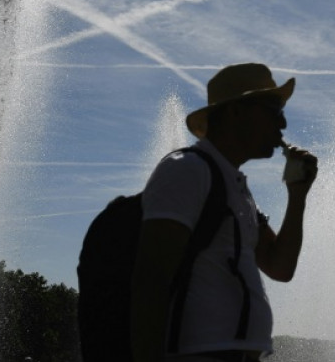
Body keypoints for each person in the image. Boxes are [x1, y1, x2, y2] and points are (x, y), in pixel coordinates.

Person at [131, 63, 318, 362]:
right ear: (235, 112)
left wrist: (297, 195)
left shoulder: (236, 187)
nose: (282, 125)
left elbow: (280, 268)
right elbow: (150, 281)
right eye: (274, 110)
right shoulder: (187, 170)